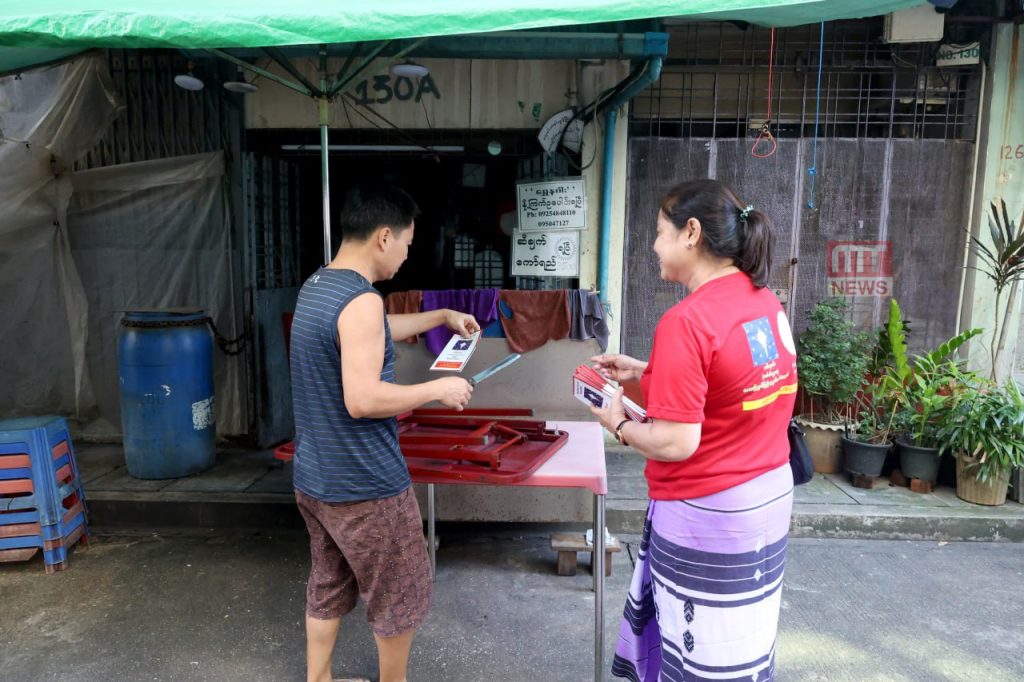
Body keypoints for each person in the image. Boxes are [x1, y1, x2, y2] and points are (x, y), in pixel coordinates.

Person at [590, 179, 798, 682]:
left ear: (691, 233)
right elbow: (733, 386)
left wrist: (618, 421)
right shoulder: (762, 301)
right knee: (741, 645)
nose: (653, 246)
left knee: (699, 650)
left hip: (709, 512)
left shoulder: (687, 320)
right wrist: (649, 372)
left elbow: (676, 441)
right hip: (766, 501)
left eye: (660, 233)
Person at [289, 183, 478, 682]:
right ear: (384, 237)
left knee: (327, 584)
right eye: (407, 244)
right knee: (399, 593)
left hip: (315, 479)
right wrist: (436, 389)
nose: (406, 255)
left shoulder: (318, 286)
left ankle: (318, 679)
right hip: (366, 484)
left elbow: (368, 334)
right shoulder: (362, 300)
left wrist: (442, 316)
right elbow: (363, 399)